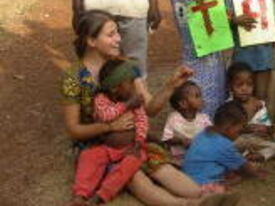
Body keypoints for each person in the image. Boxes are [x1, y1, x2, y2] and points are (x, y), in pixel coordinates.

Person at [62, 10, 232, 205]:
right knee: (133, 175)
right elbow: (74, 130)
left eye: (118, 32)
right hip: (99, 145)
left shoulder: (124, 66)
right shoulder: (74, 78)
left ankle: (203, 195)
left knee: (159, 165)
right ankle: (186, 204)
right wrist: (109, 127)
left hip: (133, 141)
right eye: (111, 34)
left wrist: (171, 86)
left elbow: (149, 108)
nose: (119, 39)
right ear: (91, 41)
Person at [72, 59, 149, 205]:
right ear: (115, 88)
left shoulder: (133, 101)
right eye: (130, 83)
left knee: (130, 164)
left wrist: (138, 143)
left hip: (131, 148)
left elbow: (142, 122)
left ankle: (102, 195)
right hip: (108, 148)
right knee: (88, 156)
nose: (134, 87)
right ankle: (81, 194)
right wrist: (126, 105)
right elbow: (106, 116)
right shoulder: (101, 100)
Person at [226, 0, 275, 102]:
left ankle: (260, 122)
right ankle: (242, 123)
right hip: (242, 54)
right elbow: (224, 23)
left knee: (261, 96)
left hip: (264, 53)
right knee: (242, 94)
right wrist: (235, 20)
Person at [182, 101, 267, 188]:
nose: (239, 134)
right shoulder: (223, 144)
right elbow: (245, 168)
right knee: (239, 177)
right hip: (200, 183)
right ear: (229, 126)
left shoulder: (204, 132)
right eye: (239, 131)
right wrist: (256, 173)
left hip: (187, 177)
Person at [226, 62, 275, 162]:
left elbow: (267, 127)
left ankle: (255, 156)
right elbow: (227, 130)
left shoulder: (259, 104)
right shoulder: (228, 106)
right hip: (238, 141)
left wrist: (266, 129)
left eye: (249, 84)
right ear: (230, 86)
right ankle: (240, 157)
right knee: (225, 148)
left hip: (256, 140)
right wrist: (245, 129)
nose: (245, 88)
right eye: (239, 85)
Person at [162, 81, 212, 165]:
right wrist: (181, 141)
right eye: (197, 96)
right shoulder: (174, 118)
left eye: (200, 96)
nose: (202, 99)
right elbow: (166, 139)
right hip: (178, 160)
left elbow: (212, 134)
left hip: (199, 158)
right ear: (183, 103)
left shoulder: (204, 118)